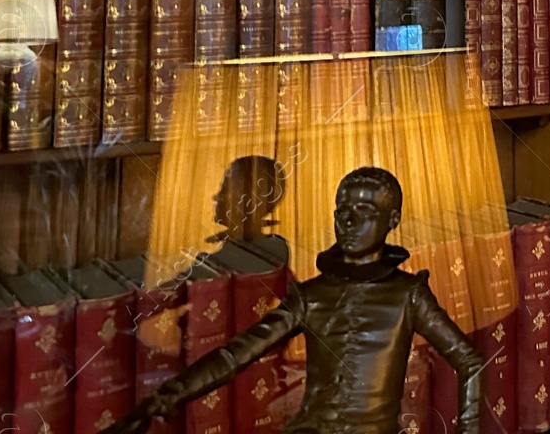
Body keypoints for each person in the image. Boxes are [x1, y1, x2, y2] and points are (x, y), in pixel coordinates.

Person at [107, 166, 484, 434]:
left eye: (365, 212)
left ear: (393, 219)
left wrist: (468, 427)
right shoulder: (311, 295)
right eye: (343, 212)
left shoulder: (408, 295)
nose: (349, 222)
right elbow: (236, 354)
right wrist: (163, 398)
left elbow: (469, 360)